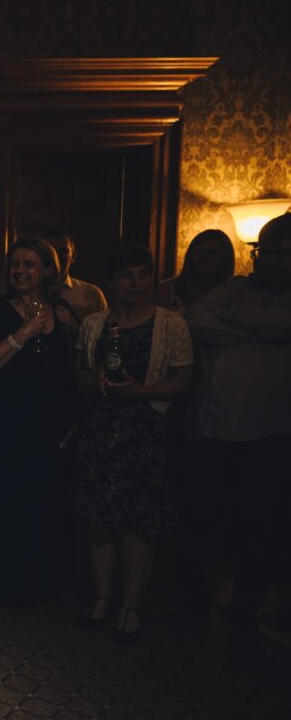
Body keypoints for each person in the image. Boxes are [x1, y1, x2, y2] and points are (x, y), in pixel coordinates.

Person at [72, 245, 193, 642]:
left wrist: (143, 392)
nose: (137, 283)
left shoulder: (170, 323)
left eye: (144, 274)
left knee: (137, 518)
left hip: (145, 429)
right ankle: (103, 595)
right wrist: (99, 383)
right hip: (102, 428)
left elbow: (184, 379)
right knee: (99, 515)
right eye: (128, 274)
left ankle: (131, 603)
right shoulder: (94, 323)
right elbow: (81, 373)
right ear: (111, 281)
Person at [184, 213, 291, 653]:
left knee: (258, 532)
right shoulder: (234, 289)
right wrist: (258, 331)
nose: (272, 263)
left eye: (283, 255)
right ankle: (194, 614)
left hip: (265, 437)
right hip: (211, 431)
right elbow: (198, 318)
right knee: (204, 524)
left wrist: (239, 328)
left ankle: (245, 621)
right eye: (266, 253)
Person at [0, 236, 74, 606]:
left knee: (42, 502)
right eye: (15, 265)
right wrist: (23, 333)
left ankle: (37, 589)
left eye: (29, 264)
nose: (21, 271)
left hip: (48, 427)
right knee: (3, 502)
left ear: (47, 270)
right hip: (8, 423)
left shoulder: (60, 313)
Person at [156, 228, 235, 315]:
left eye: (213, 253)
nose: (206, 257)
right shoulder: (168, 290)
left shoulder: (234, 295)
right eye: (200, 252)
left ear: (225, 258)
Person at [43, 228, 108, 322]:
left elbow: (105, 331)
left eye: (63, 250)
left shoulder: (92, 294)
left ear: (73, 256)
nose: (56, 255)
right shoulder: (30, 291)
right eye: (51, 250)